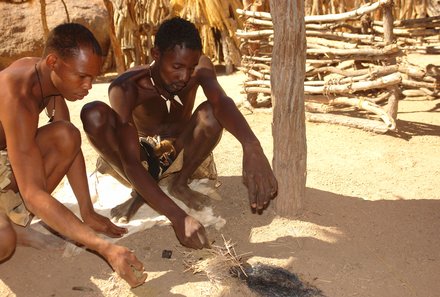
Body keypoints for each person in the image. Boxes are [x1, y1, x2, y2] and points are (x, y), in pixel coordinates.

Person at [81, 17, 278, 250]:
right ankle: (141, 191)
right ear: (156, 54)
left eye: (191, 67)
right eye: (176, 67)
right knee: (93, 113)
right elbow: (131, 161)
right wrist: (178, 217)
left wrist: (251, 146)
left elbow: (221, 101)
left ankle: (179, 183)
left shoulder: (200, 69)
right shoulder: (126, 87)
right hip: (140, 155)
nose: (185, 76)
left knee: (212, 113)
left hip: (182, 149)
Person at [0, 23, 147, 287]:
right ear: (54, 62)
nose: (88, 85)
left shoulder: (48, 79)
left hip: (4, 159)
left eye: (92, 77)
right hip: (6, 160)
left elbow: (69, 147)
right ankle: (13, 231)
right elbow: (33, 194)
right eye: (82, 77)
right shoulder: (17, 94)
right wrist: (104, 248)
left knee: (66, 134)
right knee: (3, 241)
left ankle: (14, 223)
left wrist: (87, 211)